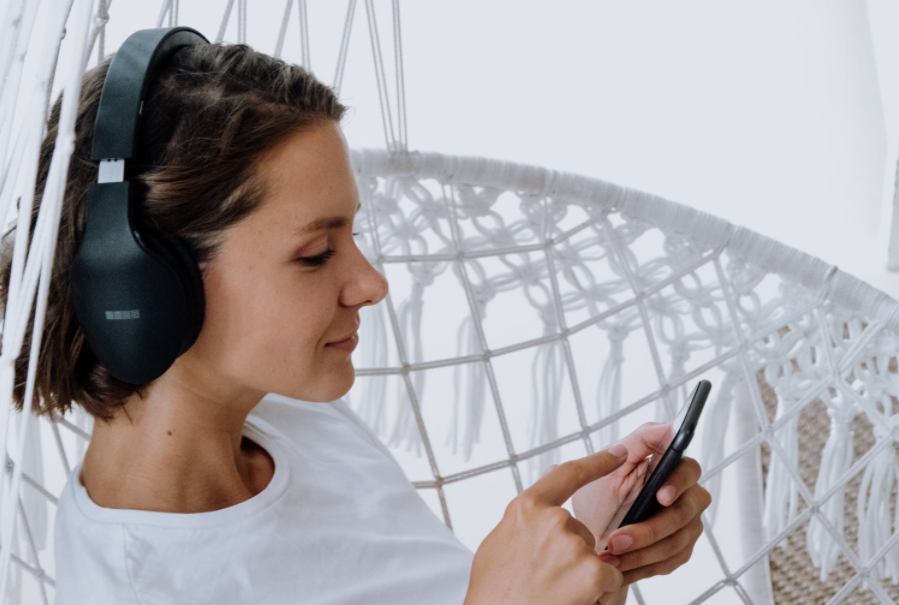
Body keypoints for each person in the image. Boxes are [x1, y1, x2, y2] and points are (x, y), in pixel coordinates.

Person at [0, 39, 710, 605]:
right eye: (314, 254)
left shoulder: (290, 419)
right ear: (146, 284)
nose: (371, 283)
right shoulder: (140, 588)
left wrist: (580, 543)